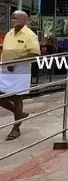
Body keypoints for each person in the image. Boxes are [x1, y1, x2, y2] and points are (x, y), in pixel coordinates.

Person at [0, 10, 40, 141]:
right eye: (12, 18)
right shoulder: (9, 33)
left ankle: (16, 128)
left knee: (17, 98)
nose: (13, 20)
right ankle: (20, 114)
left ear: (24, 20)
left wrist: (17, 61)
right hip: (5, 69)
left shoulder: (30, 35)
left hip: (20, 70)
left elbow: (35, 53)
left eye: (15, 18)